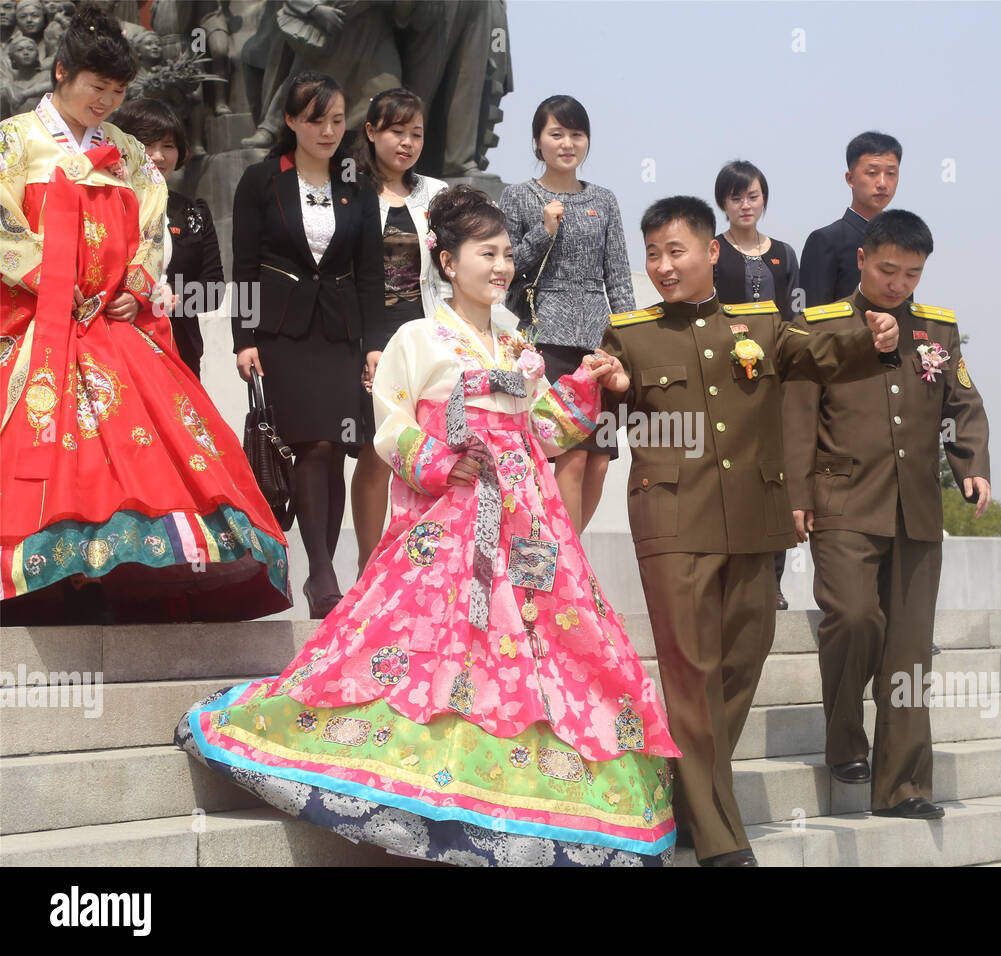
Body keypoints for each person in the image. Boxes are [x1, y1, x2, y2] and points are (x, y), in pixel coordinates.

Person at [176, 185, 678, 866]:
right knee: (435, 639)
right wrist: (442, 462)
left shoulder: (515, 340)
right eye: (488, 253)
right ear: (447, 260)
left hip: (527, 522)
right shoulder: (416, 338)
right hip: (453, 518)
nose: (502, 266)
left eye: (506, 254)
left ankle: (528, 793)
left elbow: (541, 432)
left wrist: (587, 385)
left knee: (541, 641)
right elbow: (392, 429)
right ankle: (423, 777)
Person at [599, 196, 901, 866]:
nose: (662, 266)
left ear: (712, 252)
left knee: (743, 658)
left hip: (754, 521)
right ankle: (718, 838)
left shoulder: (761, 325)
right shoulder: (631, 334)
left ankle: (685, 794)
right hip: (673, 522)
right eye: (652, 254)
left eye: (675, 251)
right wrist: (614, 388)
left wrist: (867, 334)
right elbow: (602, 413)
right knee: (690, 671)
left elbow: (818, 348)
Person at [0, 5, 290, 624]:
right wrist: (52, 282)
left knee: (137, 444)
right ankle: (39, 574)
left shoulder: (129, 153)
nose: (105, 101)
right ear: (60, 73)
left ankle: (110, 572)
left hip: (110, 321)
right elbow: (5, 225)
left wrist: (133, 283)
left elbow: (152, 228)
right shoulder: (13, 140)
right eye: (95, 87)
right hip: (35, 319)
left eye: (117, 91)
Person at [782, 210, 990, 816]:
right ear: (863, 261)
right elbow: (796, 418)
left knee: (909, 653)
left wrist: (971, 462)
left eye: (913, 274)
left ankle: (903, 786)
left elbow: (964, 403)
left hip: (917, 510)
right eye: (889, 269)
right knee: (852, 618)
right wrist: (797, 495)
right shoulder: (815, 328)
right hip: (841, 501)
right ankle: (844, 737)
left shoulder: (937, 330)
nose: (900, 283)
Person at [230, 71, 385, 619]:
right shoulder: (260, 180)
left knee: (335, 450)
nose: (328, 131)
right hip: (281, 334)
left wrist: (375, 343)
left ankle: (323, 568)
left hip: (340, 335)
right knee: (306, 446)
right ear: (291, 120)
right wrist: (243, 339)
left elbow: (370, 272)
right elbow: (244, 264)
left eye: (338, 120)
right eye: (316, 119)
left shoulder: (357, 184)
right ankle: (321, 572)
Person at [499, 95, 635, 533]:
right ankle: (568, 570)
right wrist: (544, 231)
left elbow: (617, 278)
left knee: (599, 462)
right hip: (546, 340)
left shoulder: (605, 200)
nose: (567, 143)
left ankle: (567, 555)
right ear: (537, 142)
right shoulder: (519, 196)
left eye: (576, 134)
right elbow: (504, 270)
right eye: (556, 133)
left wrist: (628, 342)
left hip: (598, 346)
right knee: (570, 456)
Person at [348, 87, 449, 576]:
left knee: (425, 446)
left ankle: (416, 567)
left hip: (425, 330)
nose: (406, 143)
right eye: (395, 131)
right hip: (371, 334)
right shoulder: (351, 191)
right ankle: (369, 565)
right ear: (371, 132)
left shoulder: (438, 194)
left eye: (416, 133)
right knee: (376, 448)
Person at [712, 159, 800, 610]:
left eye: (753, 196)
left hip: (773, 378)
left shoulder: (784, 251)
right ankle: (729, 577)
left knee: (772, 476)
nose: (745, 205)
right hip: (723, 378)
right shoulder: (712, 250)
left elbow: (793, 316)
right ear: (722, 202)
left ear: (764, 199)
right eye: (735, 196)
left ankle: (773, 581)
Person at [112, 97, 223, 380]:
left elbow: (214, 290)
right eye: (147, 144)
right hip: (115, 347)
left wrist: (173, 298)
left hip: (179, 350)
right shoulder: (104, 203)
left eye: (168, 146)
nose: (158, 156)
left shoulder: (192, 213)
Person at [800, 131, 902, 308]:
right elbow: (811, 318)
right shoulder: (825, 241)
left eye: (891, 173)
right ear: (850, 179)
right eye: (872, 173)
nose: (883, 183)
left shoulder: (902, 241)